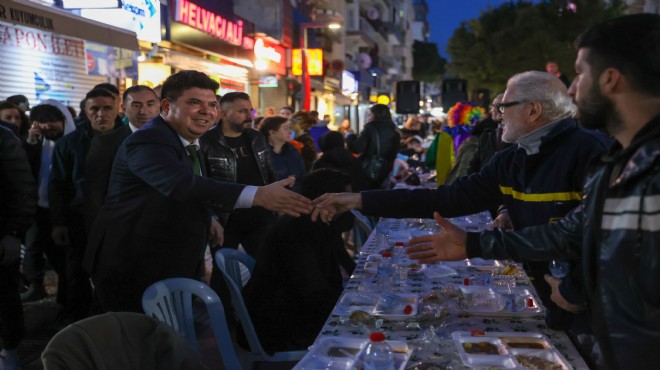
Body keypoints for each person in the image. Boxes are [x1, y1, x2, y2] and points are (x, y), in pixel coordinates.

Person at [405, 14, 660, 369]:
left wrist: (576, 290)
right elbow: (578, 232)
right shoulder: (619, 161)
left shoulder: (633, 163)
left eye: (580, 73)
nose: (571, 89)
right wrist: (473, 244)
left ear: (610, 79)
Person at [314, 71, 612, 330]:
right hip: (546, 296)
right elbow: (448, 199)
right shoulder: (512, 158)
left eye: (503, 106)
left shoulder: (591, 152)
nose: (496, 114)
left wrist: (577, 291)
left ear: (533, 111)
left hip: (592, 307)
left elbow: (606, 239)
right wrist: (359, 199)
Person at [83, 70, 312, 313]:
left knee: (171, 340)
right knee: (140, 344)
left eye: (212, 104)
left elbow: (196, 185)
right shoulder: (149, 140)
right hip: (133, 264)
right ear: (166, 106)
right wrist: (258, 195)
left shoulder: (191, 139)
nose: (206, 111)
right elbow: (181, 184)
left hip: (172, 260)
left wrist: (210, 216)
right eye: (194, 102)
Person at [243, 169, 355, 353]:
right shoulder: (299, 228)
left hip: (293, 308)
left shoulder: (315, 219)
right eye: (344, 201)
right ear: (326, 199)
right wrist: (350, 311)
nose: (348, 207)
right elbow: (312, 288)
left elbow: (341, 259)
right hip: (280, 325)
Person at [50, 87, 122, 323]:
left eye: (107, 108)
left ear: (118, 109)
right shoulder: (69, 143)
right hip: (79, 219)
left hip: (121, 220)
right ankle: (78, 326)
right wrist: (59, 222)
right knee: (77, 274)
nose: (101, 114)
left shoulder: (131, 140)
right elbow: (59, 185)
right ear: (85, 111)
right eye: (95, 109)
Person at [84, 85, 160, 231]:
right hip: (121, 226)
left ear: (159, 106)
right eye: (136, 105)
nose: (143, 111)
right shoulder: (106, 143)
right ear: (123, 109)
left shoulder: (170, 139)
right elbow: (95, 192)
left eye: (150, 104)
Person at [21, 102, 74, 305]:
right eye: (41, 121)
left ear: (64, 120)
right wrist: (31, 142)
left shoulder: (73, 143)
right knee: (38, 251)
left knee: (64, 260)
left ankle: (67, 302)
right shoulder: (39, 143)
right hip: (40, 209)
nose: (46, 126)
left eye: (52, 120)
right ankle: (39, 289)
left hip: (65, 211)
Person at [0, 124, 36, 370]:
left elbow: (22, 189)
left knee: (3, 297)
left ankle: (8, 351)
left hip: (1, 234)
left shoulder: (4, 139)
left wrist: (13, 232)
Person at [346, 104, 400, 190]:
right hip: (386, 171)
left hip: (368, 170)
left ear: (375, 115)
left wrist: (350, 137)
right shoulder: (395, 132)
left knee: (364, 198)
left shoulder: (370, 128)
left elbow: (357, 148)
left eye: (369, 114)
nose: (367, 117)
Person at [260, 116, 306, 192]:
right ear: (272, 132)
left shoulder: (292, 150)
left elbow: (302, 174)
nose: (290, 132)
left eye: (290, 128)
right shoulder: (261, 153)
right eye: (285, 128)